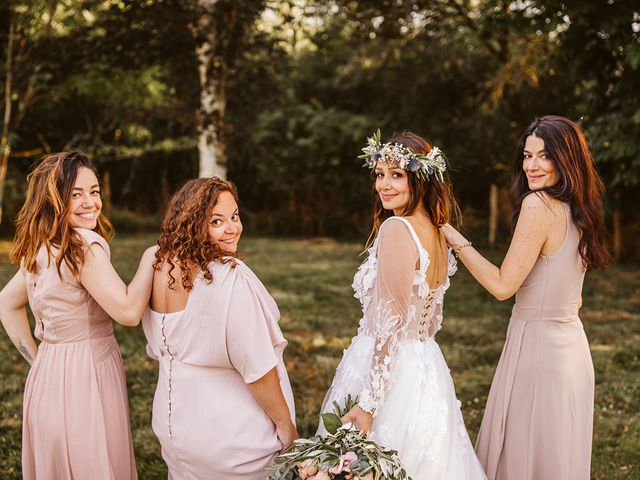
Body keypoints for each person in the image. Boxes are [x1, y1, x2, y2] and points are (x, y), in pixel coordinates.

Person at [440, 115, 612, 480]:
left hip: (538, 353)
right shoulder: (579, 209)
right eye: (527, 155)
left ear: (566, 159)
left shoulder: (539, 205)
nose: (532, 165)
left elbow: (503, 286)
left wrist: (452, 236)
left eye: (544, 156)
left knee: (523, 458)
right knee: (555, 460)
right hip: (571, 350)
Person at [318, 131, 487, 479]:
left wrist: (368, 404)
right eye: (380, 175)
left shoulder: (398, 228)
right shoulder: (436, 231)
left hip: (387, 370)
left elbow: (392, 323)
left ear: (419, 178)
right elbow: (429, 320)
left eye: (397, 174)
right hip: (425, 364)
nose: (384, 185)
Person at [0, 151, 156, 479]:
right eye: (76, 194)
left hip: (47, 376)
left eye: (94, 191)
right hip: (89, 377)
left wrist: (38, 359)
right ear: (53, 200)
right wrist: (150, 256)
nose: (90, 202)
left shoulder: (41, 248)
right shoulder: (83, 245)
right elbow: (128, 312)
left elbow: (6, 303)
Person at [141, 177, 298, 479]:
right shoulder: (231, 278)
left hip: (174, 426)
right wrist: (286, 428)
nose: (233, 228)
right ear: (193, 224)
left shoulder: (160, 266)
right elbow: (259, 371)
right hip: (231, 437)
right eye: (217, 221)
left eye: (235, 216)